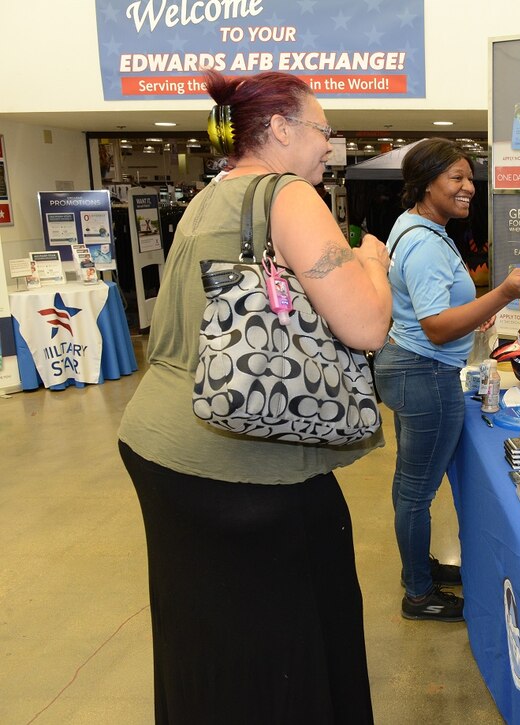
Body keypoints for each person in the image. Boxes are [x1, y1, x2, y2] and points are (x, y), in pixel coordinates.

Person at [117, 69, 392, 723]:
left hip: (160, 443)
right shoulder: (287, 196)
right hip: (239, 464)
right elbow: (365, 325)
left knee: (206, 635)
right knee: (288, 638)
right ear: (279, 129)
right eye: (323, 131)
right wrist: (373, 266)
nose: (330, 147)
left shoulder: (212, 198)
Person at [374, 138, 520, 622]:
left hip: (410, 364)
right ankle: (419, 593)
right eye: (456, 178)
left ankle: (417, 568)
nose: (469, 187)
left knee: (411, 482)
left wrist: (473, 315)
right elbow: (437, 326)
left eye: (470, 178)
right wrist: (504, 293)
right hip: (424, 372)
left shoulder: (415, 226)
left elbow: (442, 312)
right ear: (426, 183)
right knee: (416, 489)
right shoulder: (426, 243)